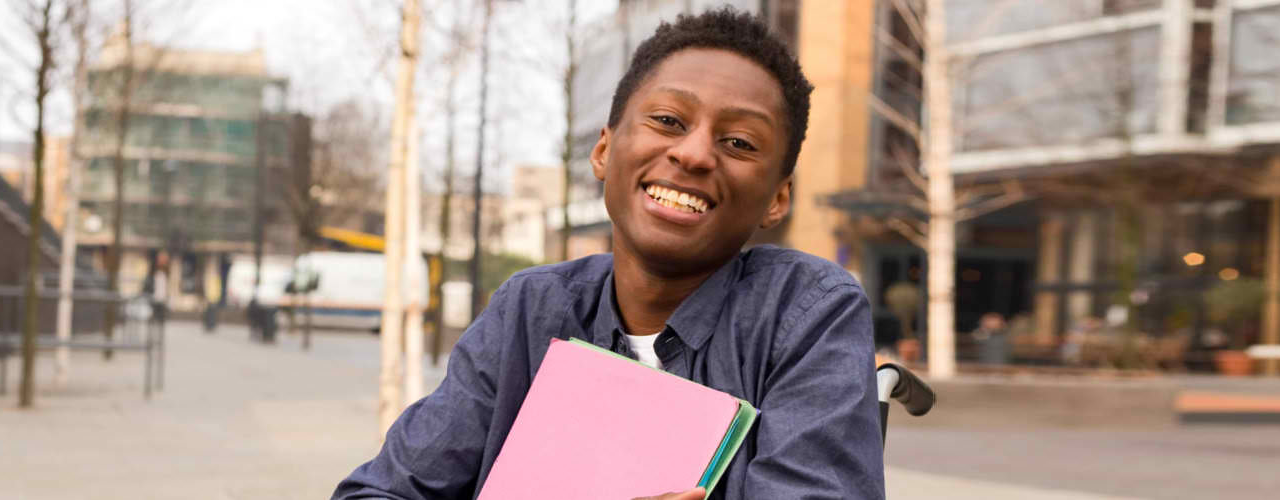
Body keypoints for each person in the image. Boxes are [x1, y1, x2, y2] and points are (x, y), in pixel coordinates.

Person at [334, 8, 882, 500]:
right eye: (668, 121)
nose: (692, 153)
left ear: (778, 198)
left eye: (738, 142)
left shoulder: (805, 313)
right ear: (603, 150)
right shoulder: (530, 309)